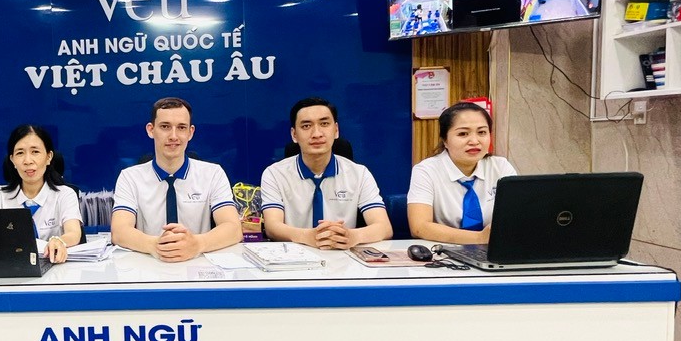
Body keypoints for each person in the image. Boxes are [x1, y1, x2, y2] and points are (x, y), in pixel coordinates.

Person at [111, 97, 242, 262]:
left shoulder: (213, 174)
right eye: (165, 127)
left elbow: (233, 228)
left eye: (181, 127)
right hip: (148, 264)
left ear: (190, 132)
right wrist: (156, 246)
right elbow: (119, 231)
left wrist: (197, 244)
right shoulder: (129, 177)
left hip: (198, 265)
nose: (173, 136)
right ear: (151, 130)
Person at [260, 97, 391, 249]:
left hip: (344, 255)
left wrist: (352, 236)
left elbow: (384, 227)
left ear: (336, 130)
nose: (317, 134)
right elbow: (272, 227)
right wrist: (308, 236)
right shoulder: (274, 174)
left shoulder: (359, 174)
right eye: (306, 126)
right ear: (294, 135)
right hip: (294, 256)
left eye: (324, 124)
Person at [407, 101, 516, 245]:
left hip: (495, 250)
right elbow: (419, 227)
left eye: (482, 132)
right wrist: (479, 238)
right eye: (463, 134)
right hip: (444, 250)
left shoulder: (501, 167)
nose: (474, 141)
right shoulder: (426, 170)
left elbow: (518, 215)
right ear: (445, 140)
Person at [0, 124, 82, 263]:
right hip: (11, 267)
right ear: (12, 160)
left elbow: (74, 233)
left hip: (55, 267)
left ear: (49, 157)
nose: (28, 161)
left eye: (35, 152)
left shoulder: (64, 194)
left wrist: (59, 241)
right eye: (20, 153)